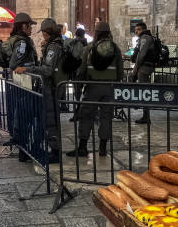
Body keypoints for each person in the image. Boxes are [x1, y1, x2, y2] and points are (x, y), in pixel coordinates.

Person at [67, 21, 123, 158]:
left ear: (96, 33)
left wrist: (80, 85)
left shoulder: (90, 48)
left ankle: (82, 147)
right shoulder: (115, 49)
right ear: (109, 33)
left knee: (86, 116)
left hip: (92, 87)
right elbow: (120, 72)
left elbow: (82, 70)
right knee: (106, 117)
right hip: (109, 88)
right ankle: (103, 148)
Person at [14, 18, 66, 164]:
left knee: (50, 120)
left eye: (43, 33)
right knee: (44, 118)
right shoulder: (53, 45)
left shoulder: (54, 47)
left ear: (47, 33)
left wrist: (27, 69)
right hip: (49, 88)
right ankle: (35, 147)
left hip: (51, 88)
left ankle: (55, 152)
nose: (42, 36)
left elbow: (47, 70)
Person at [131, 22, 156, 124]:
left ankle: (146, 116)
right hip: (145, 67)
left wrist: (135, 70)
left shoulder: (145, 37)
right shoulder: (145, 38)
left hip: (144, 68)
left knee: (144, 91)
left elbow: (141, 55)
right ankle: (145, 114)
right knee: (144, 90)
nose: (136, 32)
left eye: (138, 29)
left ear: (143, 29)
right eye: (136, 30)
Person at [66, 27, 89, 122]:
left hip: (77, 72)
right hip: (86, 72)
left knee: (77, 95)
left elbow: (75, 57)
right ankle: (82, 112)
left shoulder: (76, 43)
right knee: (85, 93)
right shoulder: (86, 43)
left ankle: (77, 114)